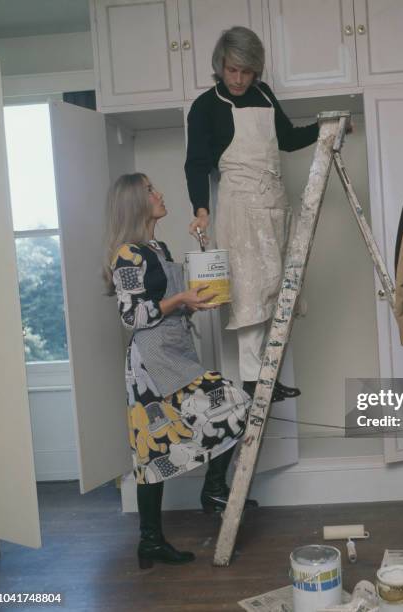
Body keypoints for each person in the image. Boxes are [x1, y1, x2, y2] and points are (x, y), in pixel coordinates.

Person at [103, 173, 256, 570]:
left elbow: (165, 300)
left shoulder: (158, 246)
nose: (160, 193)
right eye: (152, 190)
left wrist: (191, 303)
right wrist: (179, 300)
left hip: (176, 348)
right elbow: (131, 315)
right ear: (136, 202)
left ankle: (211, 491)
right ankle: (154, 539)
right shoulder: (127, 254)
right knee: (152, 452)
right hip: (151, 360)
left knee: (235, 406)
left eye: (156, 187)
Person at [184, 26, 319, 402]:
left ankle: (267, 376)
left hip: (274, 202)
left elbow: (288, 139)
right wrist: (201, 209)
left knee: (275, 289)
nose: (239, 79)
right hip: (240, 207)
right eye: (232, 71)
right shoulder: (206, 107)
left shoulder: (264, 94)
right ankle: (250, 378)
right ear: (220, 67)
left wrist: (325, 128)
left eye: (246, 71)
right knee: (250, 291)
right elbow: (196, 164)